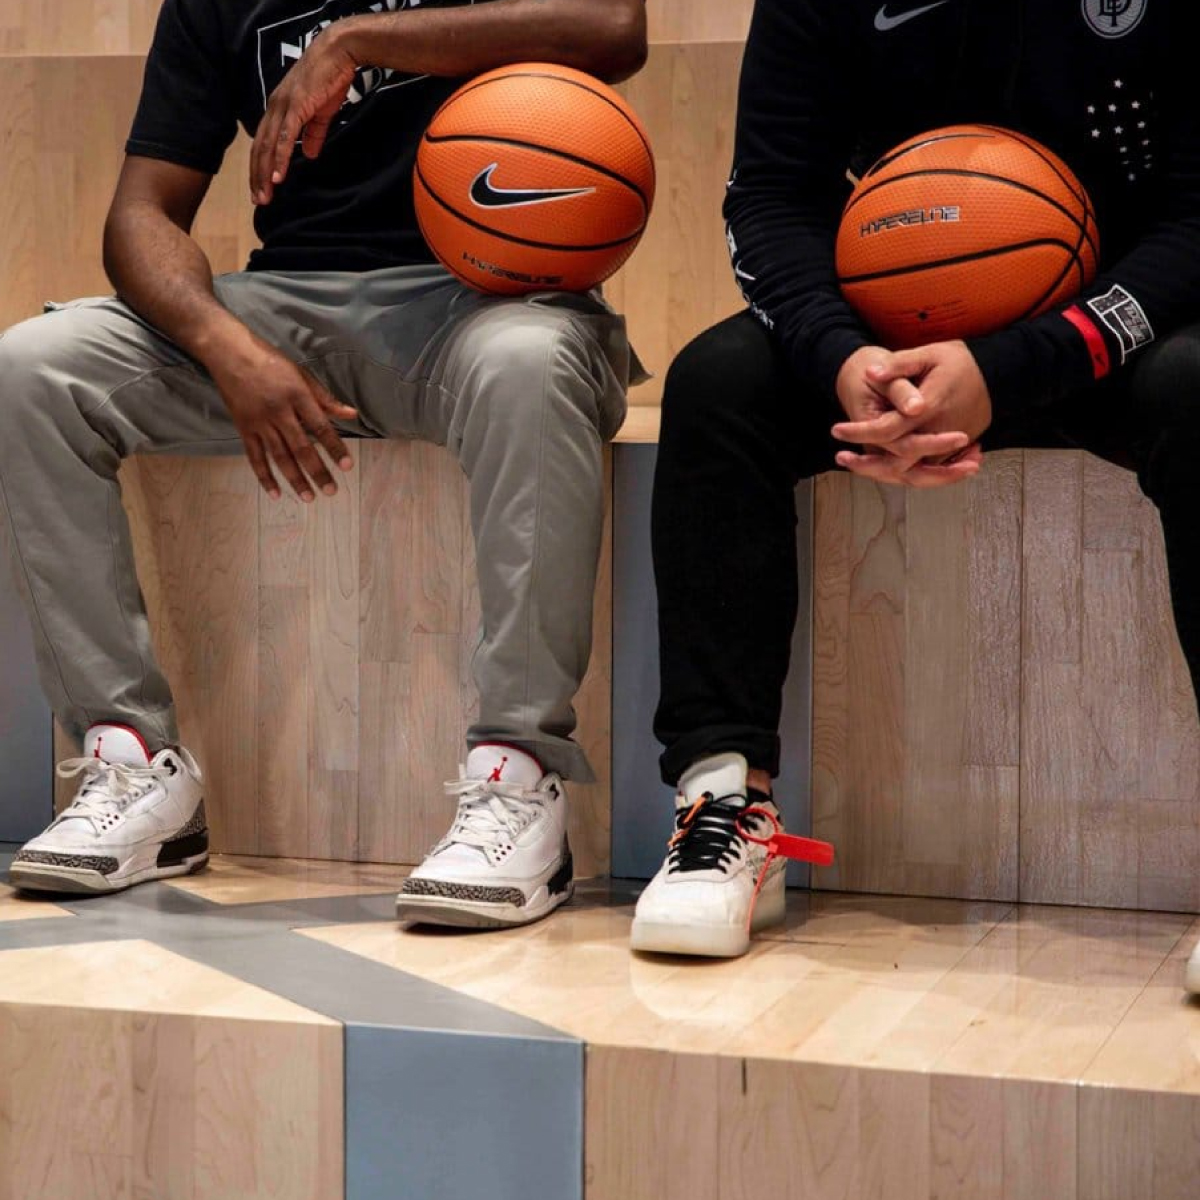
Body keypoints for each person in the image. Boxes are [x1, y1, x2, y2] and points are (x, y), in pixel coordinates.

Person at [0, 0, 647, 931]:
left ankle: (520, 776)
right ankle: (136, 764)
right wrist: (227, 348)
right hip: (285, 305)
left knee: (531, 367)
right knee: (35, 369)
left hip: (489, 302)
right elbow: (141, 214)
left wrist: (356, 40)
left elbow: (613, 31)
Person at [632, 0, 1200, 973]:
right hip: (895, 329)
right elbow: (771, 195)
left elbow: (1198, 219)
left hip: (1114, 325)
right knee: (717, 386)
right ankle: (725, 797)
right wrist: (843, 356)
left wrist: (1020, 366)